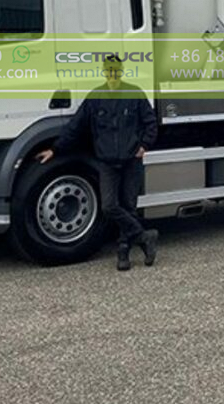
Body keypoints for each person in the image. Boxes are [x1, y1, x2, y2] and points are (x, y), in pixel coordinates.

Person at [37, 55, 158, 271]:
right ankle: (144, 237)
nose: (112, 73)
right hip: (107, 162)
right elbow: (76, 127)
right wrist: (55, 149)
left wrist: (144, 146)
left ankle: (123, 254)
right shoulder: (95, 97)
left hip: (131, 161)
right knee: (109, 206)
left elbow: (150, 122)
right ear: (104, 71)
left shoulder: (134, 93)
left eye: (115, 69)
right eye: (109, 70)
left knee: (129, 207)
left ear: (121, 71)